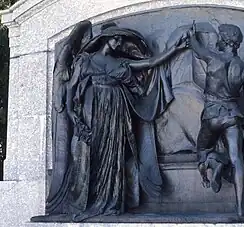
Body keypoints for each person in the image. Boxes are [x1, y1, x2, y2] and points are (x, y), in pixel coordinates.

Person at [64, 25, 187, 221]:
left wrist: (175, 49)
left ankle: (111, 201)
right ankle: (92, 200)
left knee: (114, 156)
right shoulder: (85, 60)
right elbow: (71, 88)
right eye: (116, 39)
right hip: (93, 111)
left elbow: (150, 62)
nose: (119, 43)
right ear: (106, 39)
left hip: (116, 111)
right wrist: (71, 113)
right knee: (93, 155)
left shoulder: (120, 62)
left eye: (121, 40)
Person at [187, 22, 244, 217]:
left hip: (212, 115)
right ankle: (241, 208)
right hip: (232, 115)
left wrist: (192, 35)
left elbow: (197, 48)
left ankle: (214, 164)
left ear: (224, 40)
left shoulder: (213, 58)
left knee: (202, 150)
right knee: (237, 158)